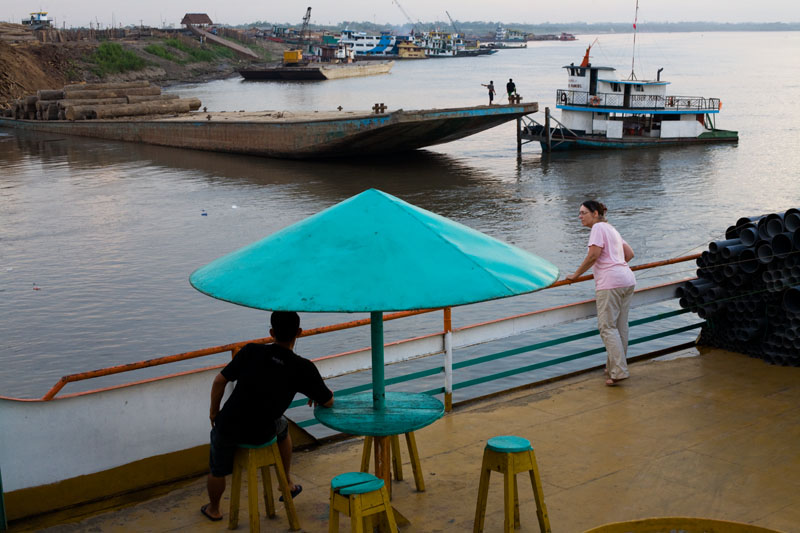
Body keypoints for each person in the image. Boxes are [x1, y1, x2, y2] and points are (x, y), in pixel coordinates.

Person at [201, 311, 334, 521]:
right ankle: (286, 483)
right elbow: (328, 401)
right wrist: (316, 394)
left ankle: (214, 509)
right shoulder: (303, 367)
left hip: (228, 425)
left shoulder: (251, 351)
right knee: (282, 425)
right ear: (299, 333)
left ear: (271, 332)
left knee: (216, 469)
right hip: (261, 433)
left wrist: (214, 413)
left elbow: (219, 381)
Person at [566, 201, 636, 386]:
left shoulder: (597, 228)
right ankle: (613, 366)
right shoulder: (611, 228)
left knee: (607, 327)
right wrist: (616, 265)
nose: (580, 217)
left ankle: (618, 371)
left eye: (583, 213)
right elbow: (629, 254)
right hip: (627, 280)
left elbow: (593, 255)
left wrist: (575, 275)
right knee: (620, 326)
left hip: (610, 284)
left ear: (595, 213)